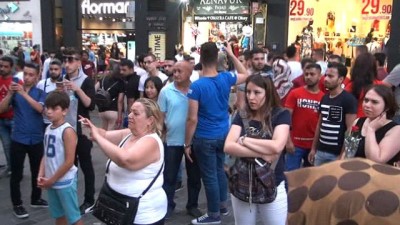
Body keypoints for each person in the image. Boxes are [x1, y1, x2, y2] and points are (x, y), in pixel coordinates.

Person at [185, 42, 248, 224]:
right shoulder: (226, 78)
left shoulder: (196, 86)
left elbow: (192, 119)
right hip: (223, 134)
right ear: (217, 58)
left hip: (204, 137)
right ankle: (222, 206)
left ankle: (213, 215)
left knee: (210, 176)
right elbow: (246, 74)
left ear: (200, 58)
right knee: (219, 170)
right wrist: (232, 54)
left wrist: (187, 143)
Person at [79, 98, 167, 225]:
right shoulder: (129, 134)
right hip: (119, 209)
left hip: (142, 217)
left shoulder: (151, 142)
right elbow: (103, 135)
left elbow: (125, 160)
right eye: (131, 112)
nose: (130, 116)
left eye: (136, 114)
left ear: (150, 120)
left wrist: (97, 136)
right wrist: (91, 128)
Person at [224, 74, 290, 225]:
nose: (251, 97)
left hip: (271, 182)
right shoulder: (242, 115)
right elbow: (228, 146)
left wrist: (244, 140)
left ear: (268, 92)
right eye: (248, 92)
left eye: (257, 92)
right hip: (242, 182)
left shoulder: (280, 115)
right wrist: (263, 152)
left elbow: (277, 146)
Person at [0, 63, 48, 219]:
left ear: (36, 77)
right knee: (17, 174)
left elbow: (40, 109)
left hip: (36, 138)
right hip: (18, 138)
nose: (27, 77)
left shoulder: (41, 93)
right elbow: (2, 109)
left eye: (31, 74)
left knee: (37, 172)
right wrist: (9, 95)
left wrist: (23, 93)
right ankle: (17, 204)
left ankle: (36, 198)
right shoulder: (14, 92)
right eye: (25, 74)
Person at [158, 61, 202, 219]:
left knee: (194, 177)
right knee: (169, 177)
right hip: (172, 141)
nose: (175, 74)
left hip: (193, 141)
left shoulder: (196, 89)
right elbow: (160, 117)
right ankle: (168, 206)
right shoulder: (165, 91)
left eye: (179, 71)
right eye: (174, 71)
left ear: (190, 73)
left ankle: (192, 205)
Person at [37, 91, 83, 225]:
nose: (49, 111)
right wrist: (41, 174)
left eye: (54, 108)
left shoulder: (67, 131)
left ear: (64, 111)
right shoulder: (48, 129)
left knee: (74, 217)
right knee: (59, 215)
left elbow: (69, 162)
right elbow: (46, 154)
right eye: (47, 107)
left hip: (64, 182)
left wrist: (51, 180)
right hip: (51, 181)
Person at [62, 48, 96, 215]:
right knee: (70, 165)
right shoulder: (64, 79)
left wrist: (76, 89)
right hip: (67, 130)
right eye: (65, 60)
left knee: (86, 165)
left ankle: (89, 200)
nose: (67, 64)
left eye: (71, 60)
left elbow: (90, 104)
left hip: (82, 130)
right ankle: (70, 198)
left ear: (78, 62)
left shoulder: (86, 81)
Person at [309, 62, 357, 166]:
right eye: (326, 75)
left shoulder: (348, 100)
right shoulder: (325, 98)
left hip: (336, 153)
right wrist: (313, 148)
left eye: (331, 76)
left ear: (340, 79)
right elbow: (320, 124)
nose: (326, 79)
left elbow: (350, 129)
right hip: (321, 151)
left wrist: (342, 155)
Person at [285, 63, 324, 171]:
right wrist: (288, 141)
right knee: (291, 177)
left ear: (320, 76)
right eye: (306, 74)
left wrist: (315, 147)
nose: (308, 77)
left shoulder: (323, 97)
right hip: (295, 144)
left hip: (313, 146)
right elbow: (286, 119)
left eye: (312, 74)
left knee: (310, 178)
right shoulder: (295, 93)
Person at [351, 85, 400, 165]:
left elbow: (376, 161)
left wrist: (371, 129)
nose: (367, 105)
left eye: (374, 102)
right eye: (366, 100)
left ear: (387, 107)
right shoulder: (358, 121)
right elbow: (349, 149)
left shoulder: (395, 130)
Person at [345, 53, 383, 117]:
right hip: (374, 120)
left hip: (354, 120)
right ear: (373, 67)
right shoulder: (379, 85)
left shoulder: (350, 86)